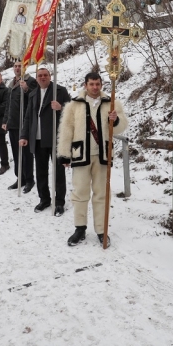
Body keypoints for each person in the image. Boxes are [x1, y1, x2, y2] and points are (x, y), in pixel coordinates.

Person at [57, 72, 128, 246]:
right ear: (85, 85)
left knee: (101, 194)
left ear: (101, 84)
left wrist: (115, 119)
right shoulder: (74, 105)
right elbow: (66, 130)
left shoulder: (111, 104)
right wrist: (64, 154)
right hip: (80, 154)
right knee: (80, 193)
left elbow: (121, 126)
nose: (95, 87)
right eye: (91, 84)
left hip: (102, 155)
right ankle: (80, 228)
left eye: (97, 84)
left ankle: (101, 230)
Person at [19, 67, 71, 216]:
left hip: (55, 138)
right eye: (40, 75)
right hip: (38, 138)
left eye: (45, 75)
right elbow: (28, 117)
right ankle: (44, 199)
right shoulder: (33, 93)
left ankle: (59, 201)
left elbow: (72, 112)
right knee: (41, 171)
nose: (43, 77)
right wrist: (24, 135)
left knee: (58, 172)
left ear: (50, 76)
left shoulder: (59, 91)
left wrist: (61, 108)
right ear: (36, 78)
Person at [2, 61, 37, 192]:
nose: (17, 68)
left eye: (20, 66)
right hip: (13, 124)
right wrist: (5, 120)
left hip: (24, 124)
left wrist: (27, 89)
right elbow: (8, 105)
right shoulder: (11, 84)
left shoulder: (31, 81)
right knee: (16, 153)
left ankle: (29, 179)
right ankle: (19, 177)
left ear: (24, 67)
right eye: (15, 66)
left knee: (26, 154)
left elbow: (36, 97)